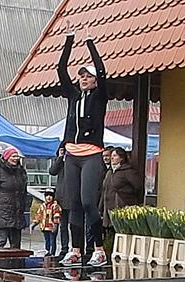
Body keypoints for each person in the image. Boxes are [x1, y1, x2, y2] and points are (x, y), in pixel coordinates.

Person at [57, 32, 109, 266]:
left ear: (95, 80)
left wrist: (89, 43)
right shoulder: (73, 97)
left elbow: (102, 70)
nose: (84, 79)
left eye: (88, 76)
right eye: (81, 76)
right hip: (72, 155)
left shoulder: (100, 96)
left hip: (91, 155)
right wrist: (69, 41)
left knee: (88, 201)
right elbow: (61, 69)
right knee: (74, 204)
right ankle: (75, 250)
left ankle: (98, 249)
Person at [0, 146, 28, 249]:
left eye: (17, 156)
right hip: (2, 212)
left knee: (16, 244)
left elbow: (23, 191)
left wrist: (25, 204)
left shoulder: (20, 171)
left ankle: (15, 259)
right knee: (1, 240)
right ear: (7, 157)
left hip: (17, 212)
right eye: (13, 156)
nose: (16, 158)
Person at [100, 147, 144, 235]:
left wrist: (132, 201)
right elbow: (104, 190)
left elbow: (138, 187)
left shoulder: (128, 171)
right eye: (112, 156)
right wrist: (100, 208)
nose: (112, 158)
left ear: (121, 158)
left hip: (122, 207)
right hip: (108, 208)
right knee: (109, 233)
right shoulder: (109, 172)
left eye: (115, 155)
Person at [48, 145, 71, 257]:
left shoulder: (74, 162)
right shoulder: (60, 162)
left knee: (74, 225)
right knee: (62, 226)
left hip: (72, 198)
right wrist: (60, 158)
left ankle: (76, 247)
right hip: (60, 199)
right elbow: (52, 171)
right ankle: (64, 248)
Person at [36, 190, 62, 256]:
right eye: (47, 195)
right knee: (47, 240)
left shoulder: (55, 206)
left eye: (50, 195)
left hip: (52, 227)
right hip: (44, 227)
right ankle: (47, 252)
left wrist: (55, 225)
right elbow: (39, 215)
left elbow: (57, 216)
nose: (49, 197)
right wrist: (34, 223)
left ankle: (52, 253)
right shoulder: (43, 206)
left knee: (52, 240)